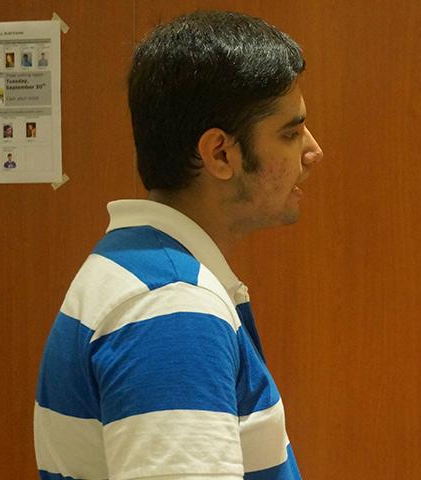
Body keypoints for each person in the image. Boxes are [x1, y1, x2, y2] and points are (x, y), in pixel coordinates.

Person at [34, 10, 323, 480]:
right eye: (290, 133)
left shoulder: (143, 272)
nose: (313, 151)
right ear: (220, 154)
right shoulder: (169, 306)